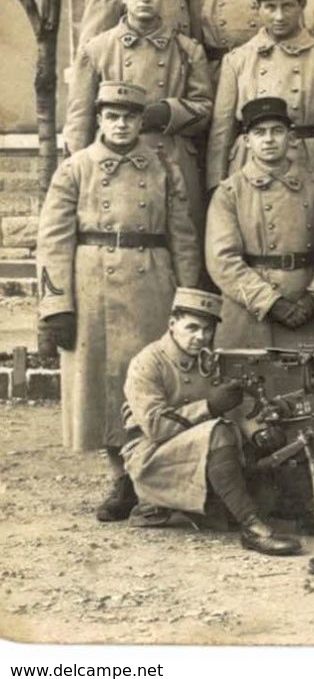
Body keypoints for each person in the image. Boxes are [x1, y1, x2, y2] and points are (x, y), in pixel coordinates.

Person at [36, 81, 201, 522]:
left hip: (153, 281)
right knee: (106, 389)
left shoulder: (162, 166)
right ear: (100, 119)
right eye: (112, 116)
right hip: (94, 285)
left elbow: (182, 236)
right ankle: (120, 476)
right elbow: (52, 241)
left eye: (129, 117)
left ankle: (152, 478)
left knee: (149, 382)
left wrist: (188, 298)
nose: (121, 124)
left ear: (140, 122)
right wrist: (56, 307)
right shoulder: (76, 168)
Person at [203, 96, 314, 540]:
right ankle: (257, 502)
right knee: (256, 407)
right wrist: (270, 301)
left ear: (291, 139)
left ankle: (309, 505)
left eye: (278, 132)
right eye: (260, 133)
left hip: (306, 305)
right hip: (252, 311)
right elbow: (222, 259)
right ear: (246, 141)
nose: (269, 141)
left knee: (307, 406)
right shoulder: (230, 192)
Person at [119, 288, 301, 556]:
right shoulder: (147, 363)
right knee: (218, 431)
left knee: (263, 437)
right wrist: (209, 406)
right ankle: (252, 528)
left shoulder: (210, 361)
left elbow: (237, 408)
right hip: (151, 456)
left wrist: (257, 434)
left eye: (207, 330)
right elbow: (155, 426)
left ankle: (305, 514)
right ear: (172, 324)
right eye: (191, 328)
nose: (200, 337)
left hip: (198, 451)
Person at [63, 0, 212, 233]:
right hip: (113, 162)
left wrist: (167, 113)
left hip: (171, 159)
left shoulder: (188, 50)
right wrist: (74, 169)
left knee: (179, 243)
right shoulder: (97, 49)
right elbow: (80, 118)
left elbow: (204, 110)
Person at [207, 0, 314, 190]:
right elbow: (221, 129)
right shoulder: (237, 59)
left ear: (301, 6)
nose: (279, 16)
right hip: (248, 163)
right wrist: (216, 183)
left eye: (287, 6)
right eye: (270, 7)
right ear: (257, 10)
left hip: (307, 163)